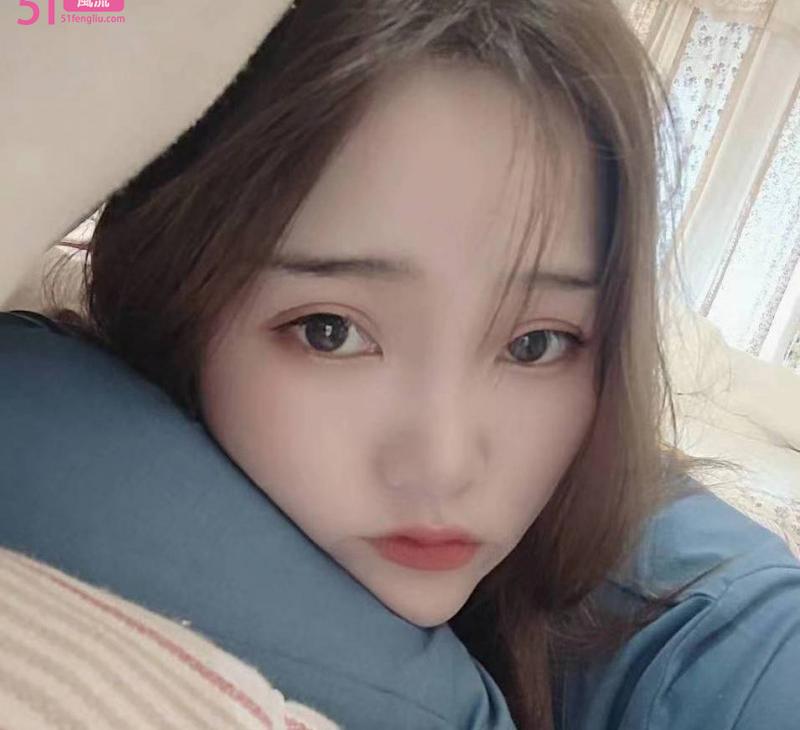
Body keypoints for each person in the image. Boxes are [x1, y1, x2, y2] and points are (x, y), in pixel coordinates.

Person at [6, 1, 800, 728]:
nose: (444, 464)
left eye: (536, 343)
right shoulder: (71, 417)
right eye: (329, 332)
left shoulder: (715, 620)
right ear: (176, 305)